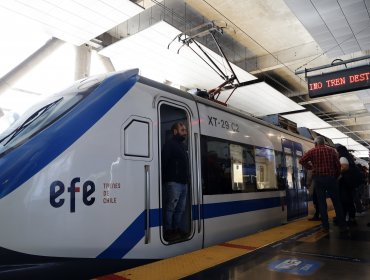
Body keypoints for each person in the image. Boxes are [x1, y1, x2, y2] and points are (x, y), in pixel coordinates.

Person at [299, 136, 347, 232]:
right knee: (337, 202)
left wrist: (311, 168)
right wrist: (335, 176)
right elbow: (338, 166)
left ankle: (325, 226)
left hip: (319, 180)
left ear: (316, 143)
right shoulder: (332, 151)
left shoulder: (312, 151)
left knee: (322, 203)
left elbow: (301, 160)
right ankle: (342, 225)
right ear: (324, 143)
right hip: (331, 179)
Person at [161, 122, 189, 241]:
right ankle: (168, 230)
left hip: (183, 183)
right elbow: (163, 162)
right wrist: (164, 180)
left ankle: (176, 228)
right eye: (182, 130)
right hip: (173, 182)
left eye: (185, 130)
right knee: (170, 207)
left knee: (180, 209)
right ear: (175, 132)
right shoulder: (169, 145)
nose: (185, 132)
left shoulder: (183, 146)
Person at [336, 145, 358, 226]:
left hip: (345, 183)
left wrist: (338, 174)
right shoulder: (349, 158)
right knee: (349, 201)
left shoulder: (342, 158)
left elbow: (345, 167)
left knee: (345, 201)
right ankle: (351, 218)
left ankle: (347, 219)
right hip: (349, 183)